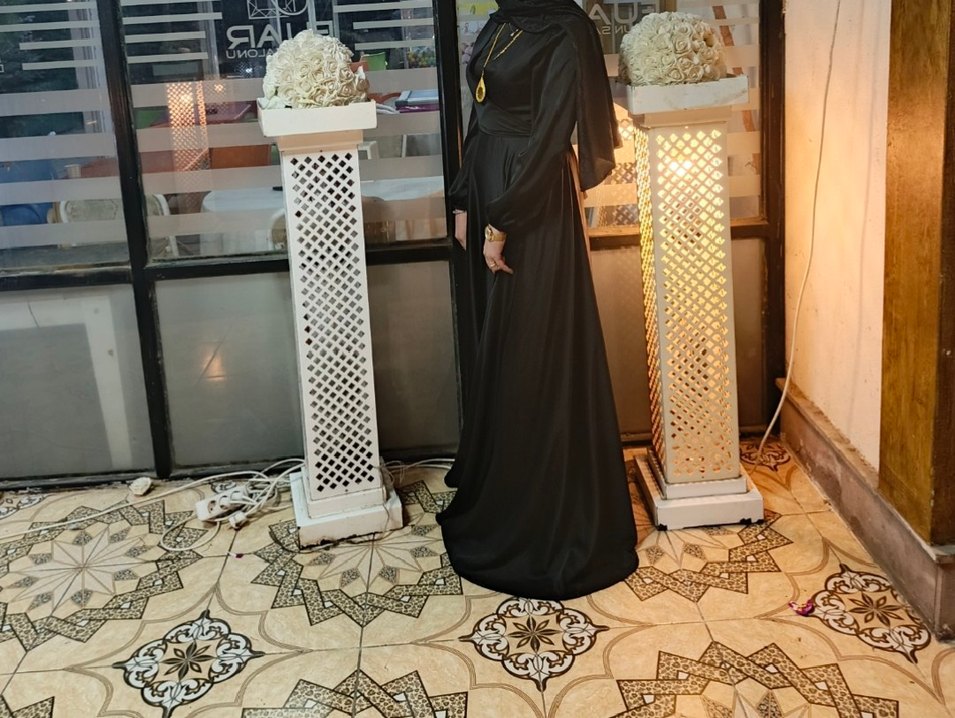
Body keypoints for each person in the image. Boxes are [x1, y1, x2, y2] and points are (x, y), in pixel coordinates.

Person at [435, 0, 638, 600]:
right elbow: (482, 111)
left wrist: (502, 220)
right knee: (499, 344)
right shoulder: (503, 19)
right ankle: (503, 479)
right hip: (491, 182)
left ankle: (540, 506)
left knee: (532, 346)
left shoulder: (567, 30)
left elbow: (551, 136)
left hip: (533, 197)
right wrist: (466, 198)